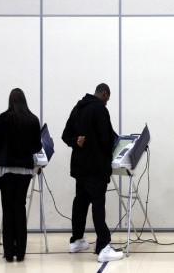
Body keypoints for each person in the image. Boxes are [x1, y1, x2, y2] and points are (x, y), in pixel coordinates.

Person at [62, 83, 123, 263]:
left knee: (80, 202)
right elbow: (106, 140)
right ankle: (103, 247)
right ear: (104, 94)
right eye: (108, 98)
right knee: (98, 205)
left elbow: (66, 135)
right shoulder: (100, 110)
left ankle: (77, 240)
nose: (107, 102)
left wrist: (76, 141)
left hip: (80, 167)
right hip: (96, 168)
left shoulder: (78, 108)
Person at [0, 88, 43, 262]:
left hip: (6, 169)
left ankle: (9, 253)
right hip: (25, 170)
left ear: (10, 100)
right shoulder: (33, 119)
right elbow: (37, 147)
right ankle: (20, 253)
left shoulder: (3, 118)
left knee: (7, 209)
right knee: (20, 208)